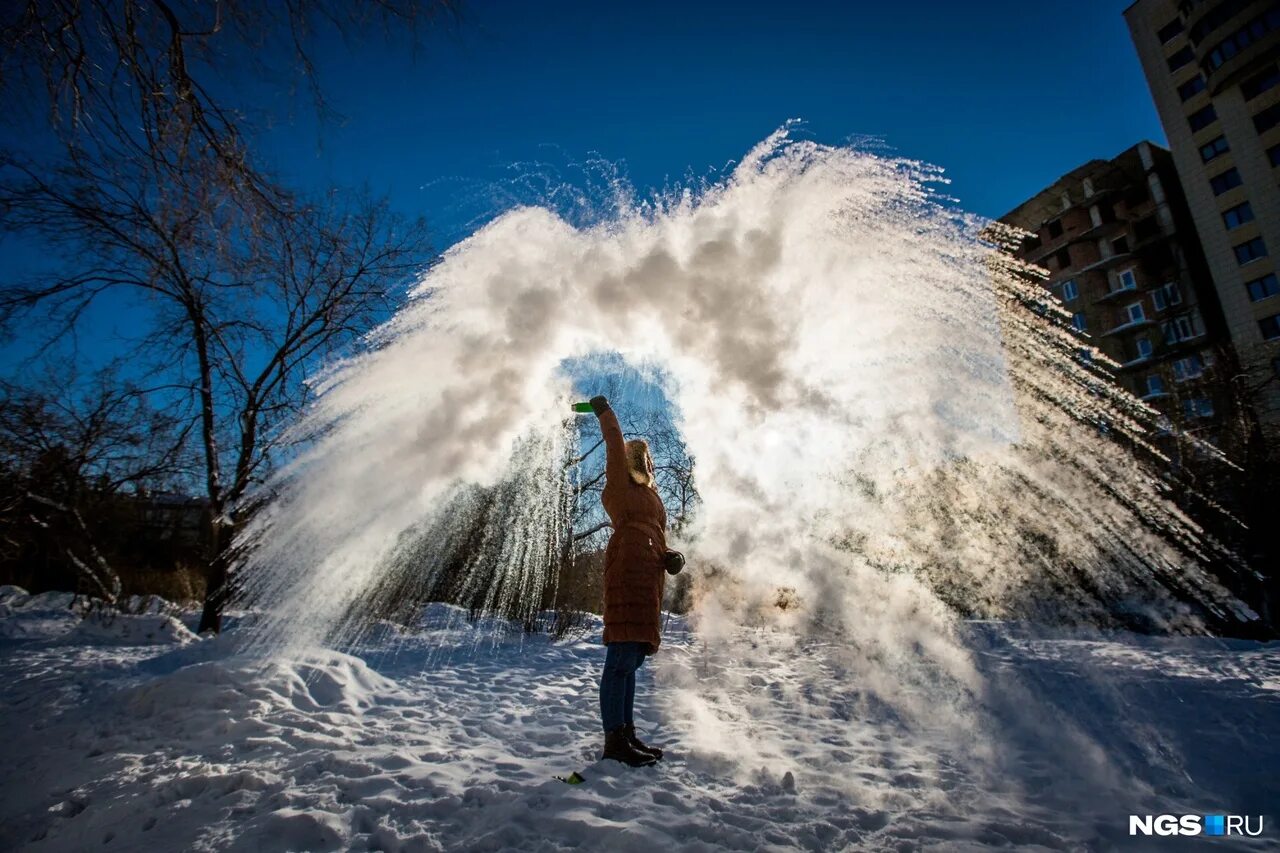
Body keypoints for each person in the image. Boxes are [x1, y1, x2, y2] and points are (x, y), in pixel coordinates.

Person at [587, 394, 685, 767]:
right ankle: (614, 739)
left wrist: (670, 556)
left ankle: (625, 732)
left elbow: (657, 536)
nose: (645, 462)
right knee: (619, 659)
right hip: (627, 570)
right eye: (639, 457)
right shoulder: (620, 487)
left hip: (648, 580)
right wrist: (605, 412)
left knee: (631, 659)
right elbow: (613, 441)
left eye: (647, 459)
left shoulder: (650, 497)